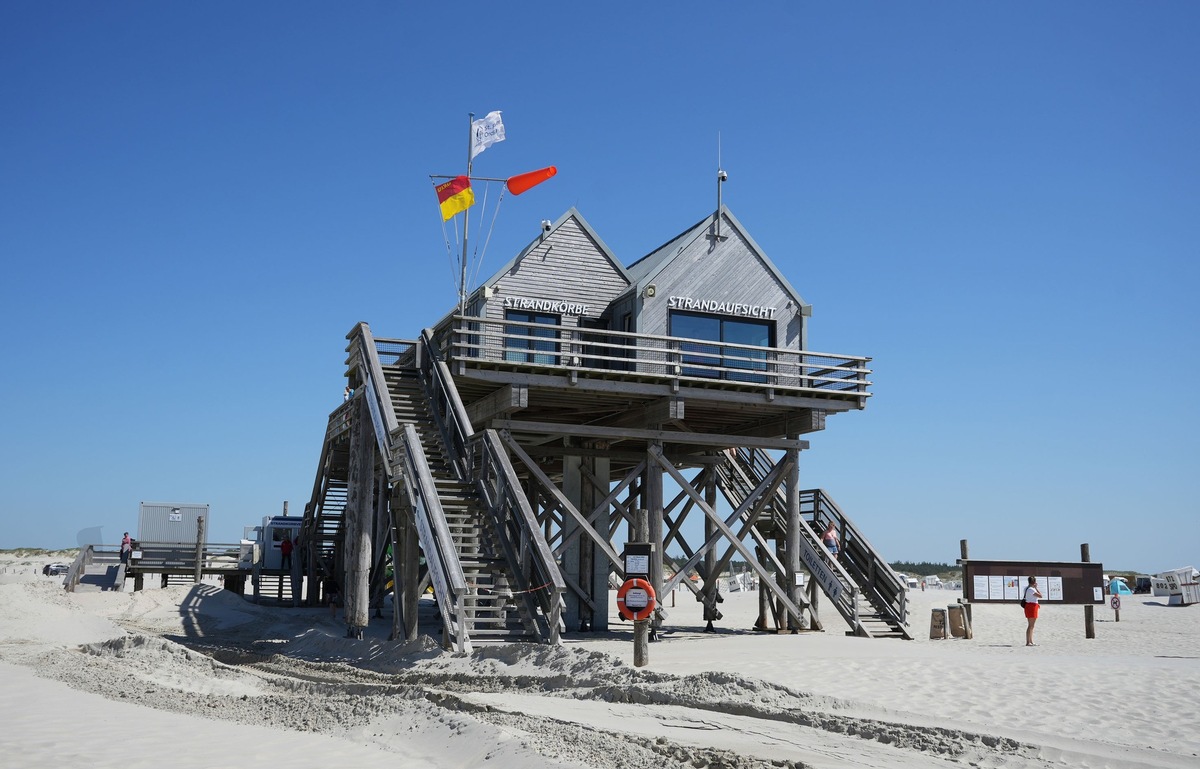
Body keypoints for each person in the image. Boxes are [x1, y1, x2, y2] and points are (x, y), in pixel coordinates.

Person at [1023, 575, 1043, 646]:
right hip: (1032, 607)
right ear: (1034, 582)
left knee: (1031, 625)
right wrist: (1036, 588)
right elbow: (1040, 596)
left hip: (1029, 606)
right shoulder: (1032, 589)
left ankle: (1030, 641)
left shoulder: (1026, 588)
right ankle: (1028, 642)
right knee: (1031, 625)